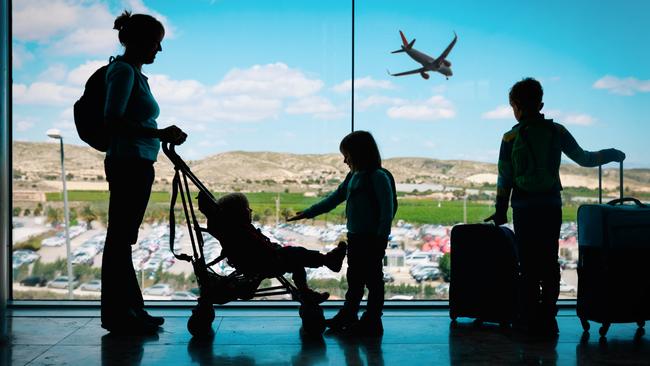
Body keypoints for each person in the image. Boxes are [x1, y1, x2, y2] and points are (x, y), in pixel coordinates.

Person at [485, 77, 625, 337]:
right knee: (549, 262)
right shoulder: (556, 131)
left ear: (515, 106)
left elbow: (504, 178)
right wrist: (611, 153)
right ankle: (548, 318)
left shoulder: (509, 137)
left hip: (524, 208)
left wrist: (501, 209)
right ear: (541, 103)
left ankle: (527, 320)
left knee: (527, 264)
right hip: (550, 206)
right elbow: (584, 158)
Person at [101, 11, 187, 335]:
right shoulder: (123, 72)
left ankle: (131, 309)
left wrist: (157, 135)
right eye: (156, 43)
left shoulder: (133, 73)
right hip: (129, 163)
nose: (159, 50)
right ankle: (121, 314)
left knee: (122, 240)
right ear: (138, 41)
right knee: (119, 240)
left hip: (136, 162)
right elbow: (113, 119)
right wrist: (159, 133)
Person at [289, 131, 395, 336]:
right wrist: (308, 213)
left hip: (372, 240)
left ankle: (371, 320)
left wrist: (381, 240)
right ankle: (351, 315)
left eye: (347, 154)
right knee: (355, 279)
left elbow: (386, 213)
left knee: (373, 281)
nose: (344, 160)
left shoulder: (378, 177)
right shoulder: (353, 177)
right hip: (355, 237)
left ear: (359, 153)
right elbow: (334, 198)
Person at [204, 192, 347, 303]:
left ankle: (306, 292)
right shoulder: (242, 232)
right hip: (266, 263)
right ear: (240, 213)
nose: (251, 211)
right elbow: (259, 250)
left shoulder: (235, 231)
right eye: (248, 209)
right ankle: (328, 261)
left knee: (296, 262)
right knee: (296, 254)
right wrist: (276, 250)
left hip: (263, 261)